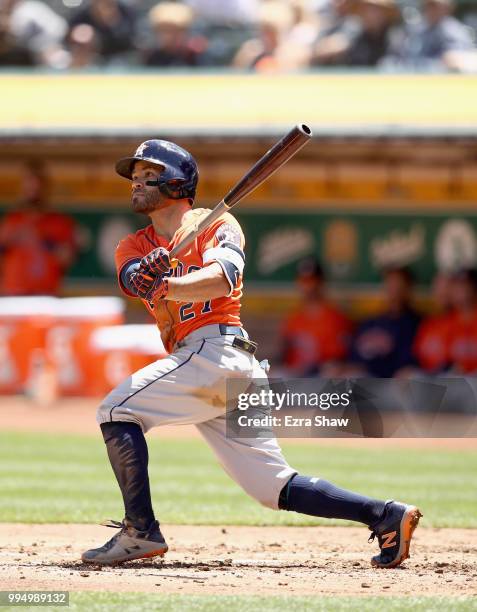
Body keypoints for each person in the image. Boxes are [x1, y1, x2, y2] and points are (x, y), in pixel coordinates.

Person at [81, 139, 421, 568]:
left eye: (147, 174)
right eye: (134, 176)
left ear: (175, 181)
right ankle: (383, 514)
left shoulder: (217, 225)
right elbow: (132, 278)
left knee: (116, 411)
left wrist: (167, 283)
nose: (135, 182)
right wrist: (148, 273)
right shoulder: (134, 243)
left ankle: (140, 531)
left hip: (217, 351)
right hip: (213, 365)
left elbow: (224, 278)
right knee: (271, 487)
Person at [0, 161, 77, 296]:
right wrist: (11, 239)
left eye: (37, 184)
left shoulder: (59, 222)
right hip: (13, 296)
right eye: (28, 184)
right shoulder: (11, 221)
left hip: (46, 297)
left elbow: (67, 258)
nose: (33, 189)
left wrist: (43, 240)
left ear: (45, 187)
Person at [280, 257, 352, 376]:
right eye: (303, 281)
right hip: (294, 375)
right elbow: (283, 356)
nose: (308, 287)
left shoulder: (335, 318)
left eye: (311, 281)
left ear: (321, 282)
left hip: (319, 376)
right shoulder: (294, 319)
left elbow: (336, 361)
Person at [347, 266, 421, 377]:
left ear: (408, 289)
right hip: (363, 377)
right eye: (390, 285)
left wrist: (366, 367)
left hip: (391, 382)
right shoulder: (370, 323)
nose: (394, 292)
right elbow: (352, 355)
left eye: (399, 286)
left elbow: (405, 364)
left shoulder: (415, 324)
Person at [413, 271, 454, 373]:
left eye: (447, 288)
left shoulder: (463, 321)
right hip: (428, 379)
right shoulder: (427, 324)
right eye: (438, 288)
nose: (442, 293)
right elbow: (417, 356)